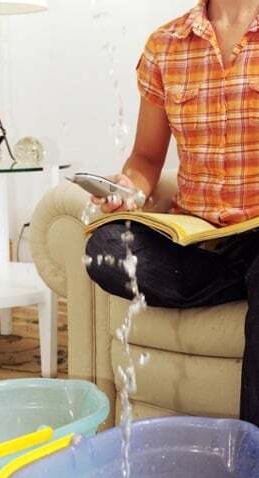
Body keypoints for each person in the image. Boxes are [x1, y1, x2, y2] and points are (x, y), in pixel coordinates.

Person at [85, 0, 259, 426]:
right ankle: (249, 282)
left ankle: (253, 464)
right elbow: (146, 157)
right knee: (105, 249)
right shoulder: (166, 44)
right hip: (198, 242)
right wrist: (130, 188)